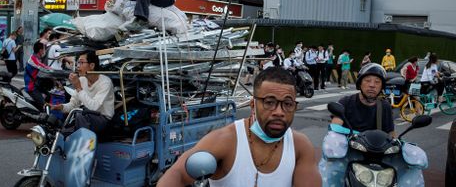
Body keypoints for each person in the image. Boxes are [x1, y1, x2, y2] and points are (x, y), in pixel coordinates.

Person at [157, 67, 322, 187]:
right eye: (269, 102)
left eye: (287, 104)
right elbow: (177, 175)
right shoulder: (225, 140)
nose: (279, 112)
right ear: (253, 105)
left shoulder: (299, 146)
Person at [51, 51, 115, 136]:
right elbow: (73, 105)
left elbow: (94, 107)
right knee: (59, 132)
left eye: (81, 62)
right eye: (77, 63)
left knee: (80, 115)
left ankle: (83, 147)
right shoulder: (82, 80)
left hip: (102, 119)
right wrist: (61, 107)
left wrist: (78, 87)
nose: (78, 66)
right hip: (86, 116)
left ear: (92, 65)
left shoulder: (105, 82)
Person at [332, 63, 395, 137]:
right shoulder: (346, 102)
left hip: (373, 147)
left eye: (377, 82)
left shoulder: (384, 106)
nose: (372, 85)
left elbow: (391, 135)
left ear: (382, 87)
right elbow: (334, 130)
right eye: (368, 80)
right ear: (360, 83)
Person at [24, 41, 51, 111]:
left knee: (49, 95)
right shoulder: (33, 59)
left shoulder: (36, 58)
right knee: (44, 105)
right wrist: (56, 72)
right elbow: (44, 67)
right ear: (40, 50)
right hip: (32, 87)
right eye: (44, 49)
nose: (45, 51)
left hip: (36, 84)